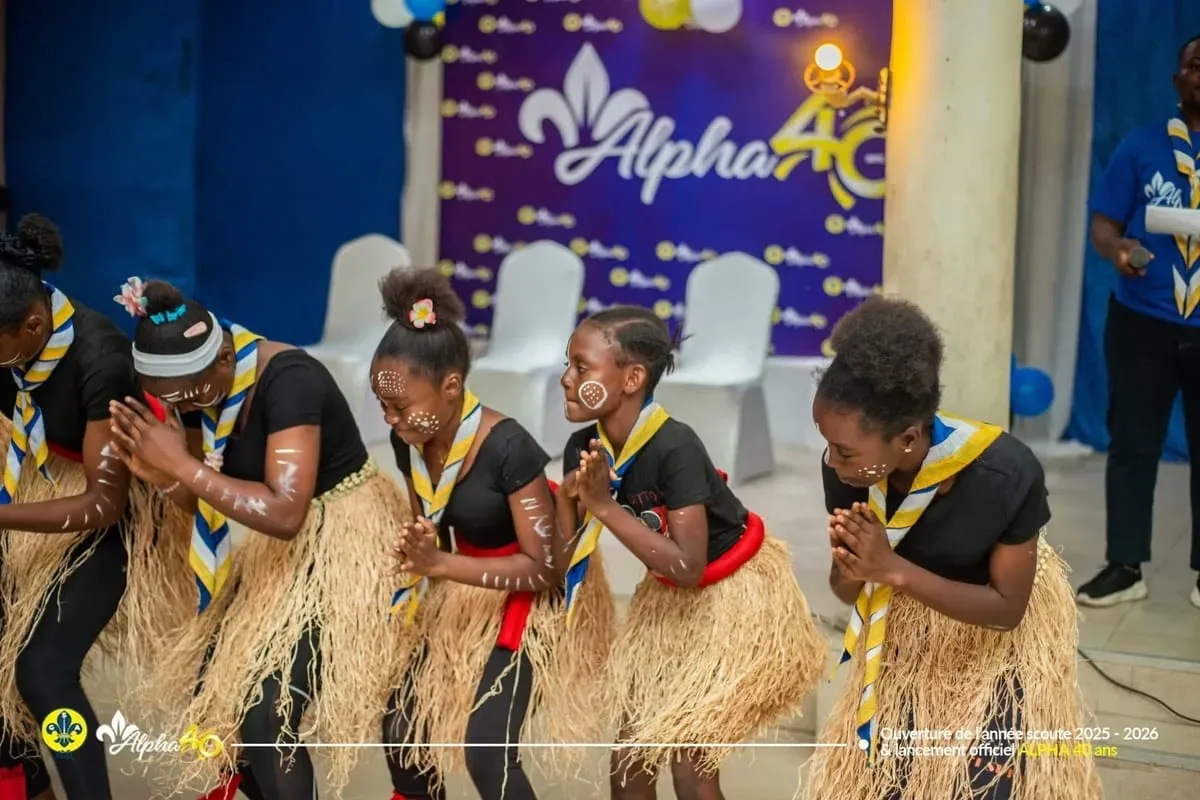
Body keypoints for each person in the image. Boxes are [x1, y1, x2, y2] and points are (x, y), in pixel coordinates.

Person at [106, 277, 415, 799]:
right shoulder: (192, 389)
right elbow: (209, 494)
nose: (181, 407)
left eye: (188, 394)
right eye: (166, 399)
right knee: (211, 686)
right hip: (282, 553)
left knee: (267, 713)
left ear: (225, 357)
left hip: (345, 538)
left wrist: (179, 463)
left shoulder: (291, 379)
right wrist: (164, 480)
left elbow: (284, 511)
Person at [802, 297, 1101, 800]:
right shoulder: (853, 473)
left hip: (991, 652)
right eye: (826, 443)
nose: (831, 461)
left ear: (908, 438)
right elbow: (848, 591)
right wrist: (858, 565)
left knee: (983, 784)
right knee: (892, 784)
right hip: (906, 649)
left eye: (845, 450)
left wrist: (892, 568)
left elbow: (1007, 610)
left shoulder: (1004, 473)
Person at [558, 305, 824, 800]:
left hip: (730, 595)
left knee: (691, 769)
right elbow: (562, 552)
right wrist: (566, 498)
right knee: (629, 763)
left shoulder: (674, 445)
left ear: (632, 377)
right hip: (668, 601)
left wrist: (599, 504)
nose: (565, 379)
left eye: (581, 367)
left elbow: (688, 566)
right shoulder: (584, 448)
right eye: (567, 365)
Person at [376, 268, 614, 800]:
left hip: (535, 600)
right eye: (383, 407)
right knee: (401, 731)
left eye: (401, 407)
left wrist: (438, 565)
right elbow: (432, 538)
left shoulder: (509, 448)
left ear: (452, 386)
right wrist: (419, 555)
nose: (391, 421)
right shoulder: (409, 440)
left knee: (486, 748)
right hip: (466, 590)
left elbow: (546, 569)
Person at [0, 218, 192, 800]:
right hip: (32, 490)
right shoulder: (15, 334)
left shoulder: (98, 356)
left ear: (33, 327)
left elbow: (102, 506)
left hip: (116, 515)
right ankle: (24, 780)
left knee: (43, 670)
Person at [1077, 33, 1200, 609]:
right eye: (1195, 65)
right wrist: (1117, 249)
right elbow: (1103, 222)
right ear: (1177, 80)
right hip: (1141, 321)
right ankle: (1125, 566)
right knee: (1132, 445)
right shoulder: (1141, 147)